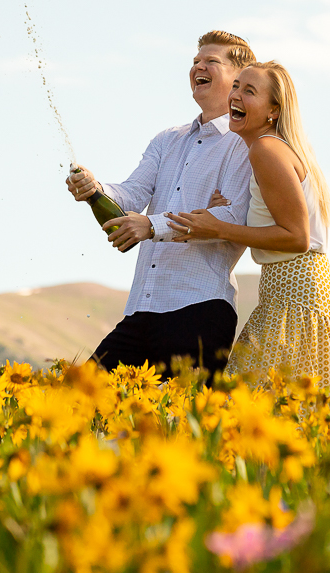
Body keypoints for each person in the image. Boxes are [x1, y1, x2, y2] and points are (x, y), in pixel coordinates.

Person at [66, 30, 256, 376]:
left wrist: (151, 225)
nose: (198, 66)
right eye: (196, 61)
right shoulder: (167, 139)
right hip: (143, 306)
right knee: (78, 399)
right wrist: (95, 188)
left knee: (181, 424)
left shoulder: (243, 143)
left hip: (201, 307)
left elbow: (231, 217)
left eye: (211, 61)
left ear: (237, 79)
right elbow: (132, 193)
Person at [167, 61, 330, 400]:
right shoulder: (273, 148)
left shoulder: (266, 149)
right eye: (236, 86)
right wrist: (223, 213)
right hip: (297, 294)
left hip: (296, 297)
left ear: (273, 110)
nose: (235, 95)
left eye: (249, 91)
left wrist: (221, 228)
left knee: (246, 409)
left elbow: (296, 238)